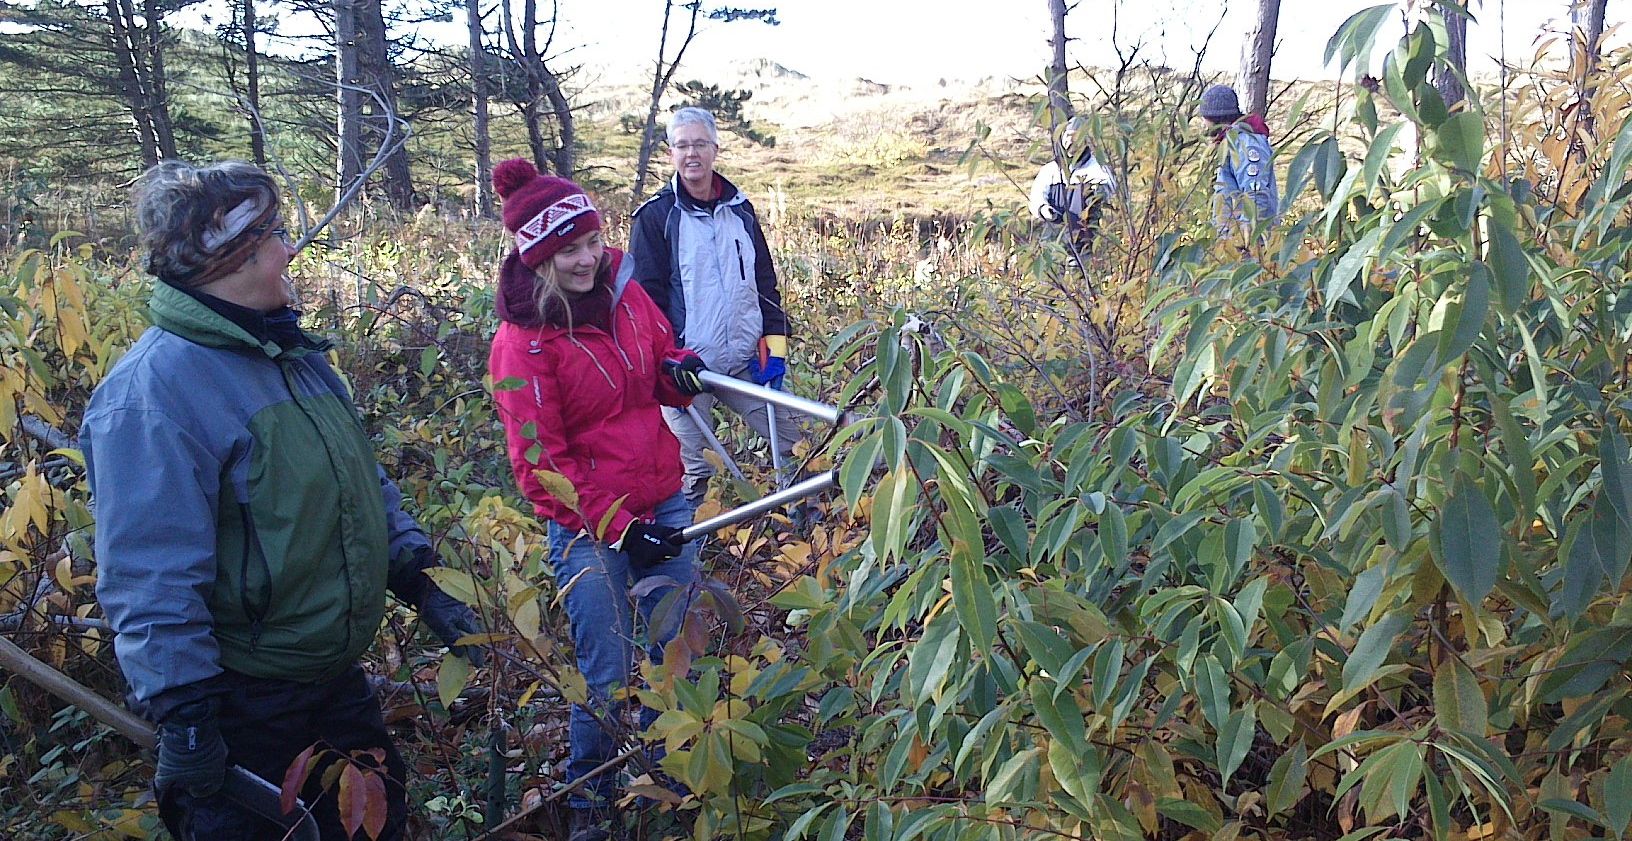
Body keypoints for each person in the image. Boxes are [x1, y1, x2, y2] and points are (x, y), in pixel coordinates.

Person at [82, 160, 482, 841]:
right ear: (227, 258)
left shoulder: (290, 353)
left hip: (331, 684)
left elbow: (358, 482)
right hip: (244, 707)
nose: (288, 249)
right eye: (270, 235)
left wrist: (420, 576)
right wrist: (186, 714)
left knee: (378, 827)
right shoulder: (153, 395)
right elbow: (150, 576)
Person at [486, 158, 708, 841]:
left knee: (678, 653)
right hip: (588, 527)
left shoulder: (624, 292)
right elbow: (538, 465)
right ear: (538, 257)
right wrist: (616, 527)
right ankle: (591, 803)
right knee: (607, 673)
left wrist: (680, 373)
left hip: (663, 498)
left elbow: (658, 368)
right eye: (569, 250)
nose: (587, 259)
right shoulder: (521, 344)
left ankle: (674, 789)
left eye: (590, 241)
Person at [628, 106, 802, 503]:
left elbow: (764, 285)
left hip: (743, 360)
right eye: (682, 145)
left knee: (797, 443)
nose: (692, 154)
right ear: (671, 152)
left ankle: (803, 522)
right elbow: (643, 303)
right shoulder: (656, 218)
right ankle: (697, 556)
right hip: (687, 370)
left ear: (715, 149)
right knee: (695, 473)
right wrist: (668, 363)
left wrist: (774, 351)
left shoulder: (740, 210)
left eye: (700, 144)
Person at [1028, 115, 1116, 261]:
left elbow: (1110, 193)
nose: (1070, 141)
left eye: (1076, 136)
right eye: (1068, 135)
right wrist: (1044, 210)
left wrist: (1095, 195)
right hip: (1053, 243)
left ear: (1085, 139)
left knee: (1081, 280)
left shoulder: (1098, 169)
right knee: (1051, 282)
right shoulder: (1050, 170)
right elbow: (1036, 197)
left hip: (1084, 243)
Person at [1198, 84, 1279, 236]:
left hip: (1248, 248)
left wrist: (1247, 244)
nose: (1204, 124)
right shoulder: (1230, 143)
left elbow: (1255, 195)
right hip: (1231, 243)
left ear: (1215, 118)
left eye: (1205, 118)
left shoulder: (1246, 144)